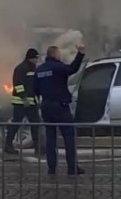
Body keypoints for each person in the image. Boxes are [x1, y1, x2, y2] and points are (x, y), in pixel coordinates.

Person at [36, 44, 86, 175]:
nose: (60, 55)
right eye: (59, 53)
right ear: (54, 54)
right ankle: (72, 167)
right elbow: (73, 69)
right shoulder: (59, 67)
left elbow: (35, 89)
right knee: (69, 136)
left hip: (46, 106)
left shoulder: (39, 70)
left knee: (50, 138)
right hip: (60, 106)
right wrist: (80, 54)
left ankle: (51, 168)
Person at [4, 48, 42, 157]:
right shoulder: (21, 68)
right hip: (21, 102)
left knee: (35, 123)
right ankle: (8, 145)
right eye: (36, 58)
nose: (37, 60)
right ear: (32, 58)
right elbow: (18, 85)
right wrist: (24, 98)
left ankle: (37, 147)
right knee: (16, 123)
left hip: (31, 102)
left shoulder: (33, 68)